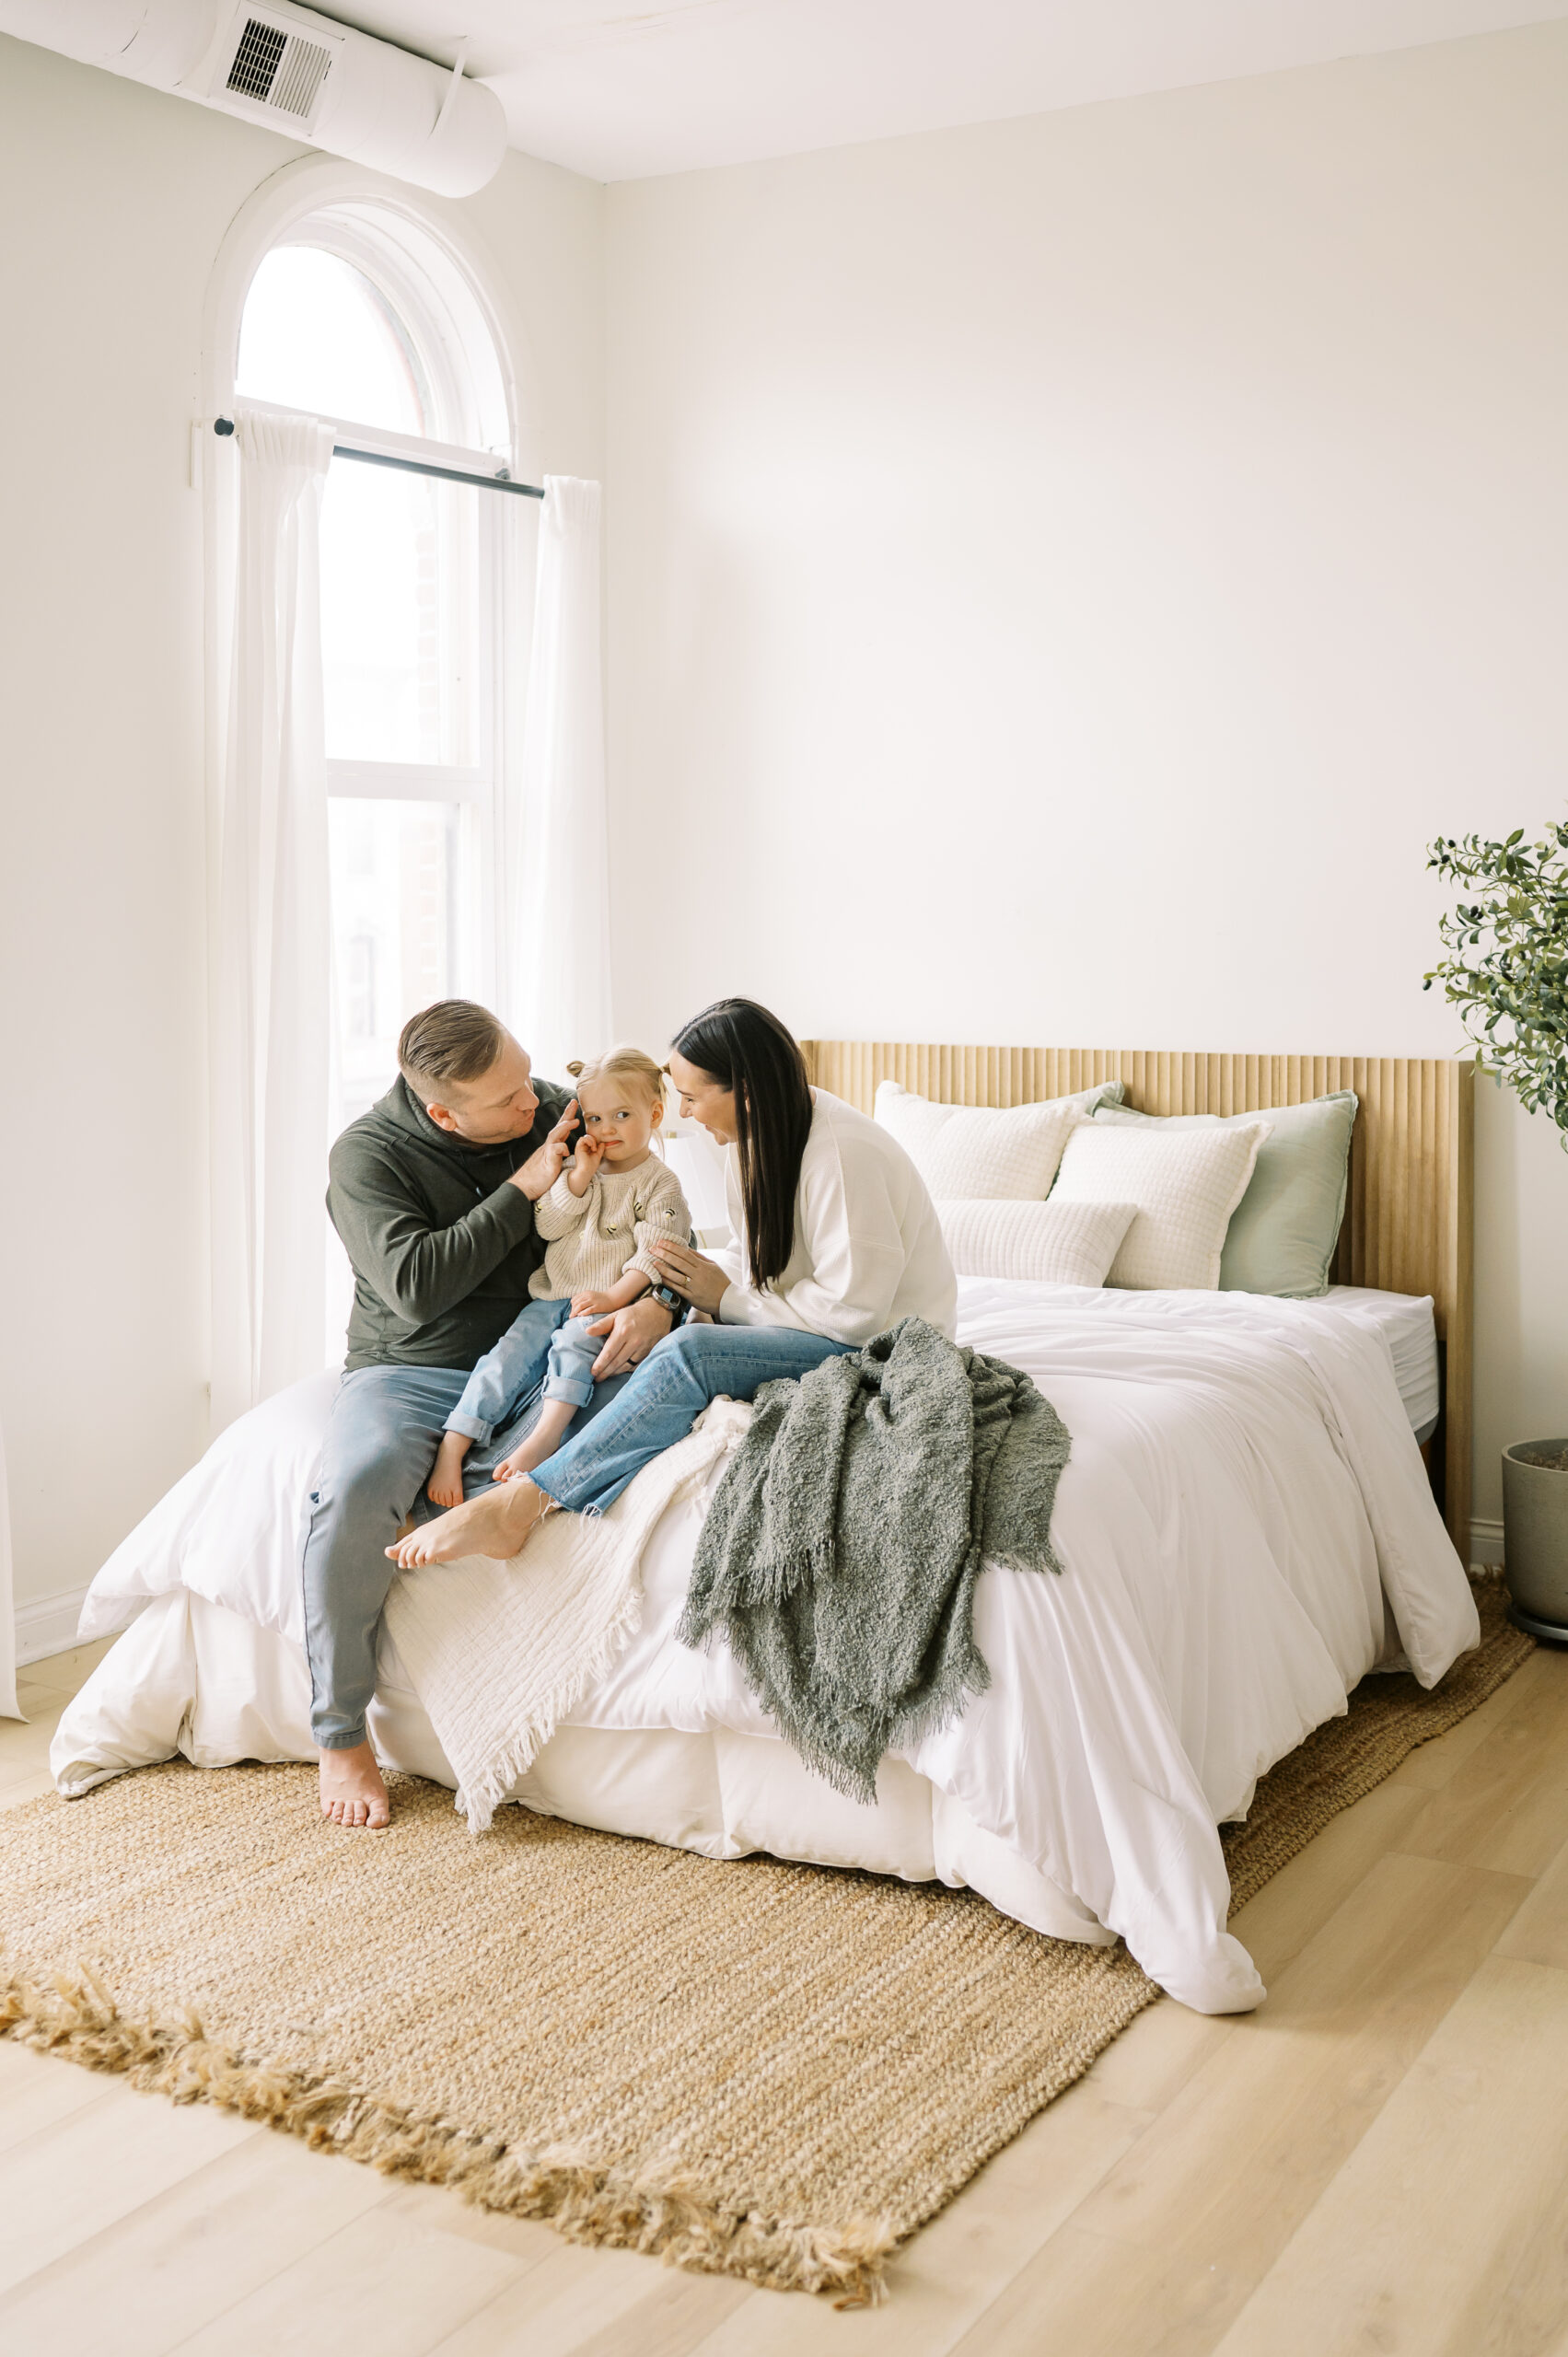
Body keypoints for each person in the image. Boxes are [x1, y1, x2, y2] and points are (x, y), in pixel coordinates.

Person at [389, 997, 957, 1572]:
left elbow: (854, 1315)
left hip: (882, 1347)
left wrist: (724, 1304)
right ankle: (477, 1478)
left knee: (691, 1355)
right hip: (810, 1322)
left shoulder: (842, 1154)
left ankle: (521, 1506)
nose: (681, 1112)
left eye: (689, 1096)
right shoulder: (759, 1136)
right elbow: (750, 1258)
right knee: (625, 1341)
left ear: (746, 1091)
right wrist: (669, 1301)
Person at [306, 1000, 685, 1831]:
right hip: (416, 1369)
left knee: (677, 1401)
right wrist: (526, 1186)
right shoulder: (368, 1158)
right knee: (356, 1486)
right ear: (443, 1112)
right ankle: (340, 1733)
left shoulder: (548, 1106)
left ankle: (511, 1498)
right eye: (509, 1101)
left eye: (528, 1079)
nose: (538, 1107)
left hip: (550, 1345)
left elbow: (643, 1217)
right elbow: (414, 1287)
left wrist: (657, 1302)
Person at [425, 1046, 691, 1507]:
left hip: (607, 1302)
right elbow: (548, 1226)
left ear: (655, 1113)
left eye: (622, 1115)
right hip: (550, 1297)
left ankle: (545, 1434)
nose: (605, 1130)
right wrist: (578, 1178)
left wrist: (613, 1298)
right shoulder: (575, 1169)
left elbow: (656, 1253)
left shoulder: (659, 1182)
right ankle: (456, 1441)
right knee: (505, 1358)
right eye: (594, 1119)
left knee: (573, 1349)